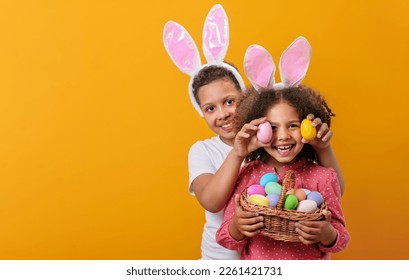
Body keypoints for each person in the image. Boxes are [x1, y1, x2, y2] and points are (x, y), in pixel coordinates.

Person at [164, 6, 344, 259]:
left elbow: (332, 189)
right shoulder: (213, 152)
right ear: (201, 112)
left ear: (248, 100)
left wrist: (322, 146)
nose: (224, 114)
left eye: (230, 101)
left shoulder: (275, 144)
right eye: (210, 108)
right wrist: (238, 153)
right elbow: (213, 202)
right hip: (222, 258)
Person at [216, 85, 350, 259]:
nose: (283, 136)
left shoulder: (323, 177)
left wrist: (327, 234)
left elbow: (341, 237)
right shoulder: (247, 174)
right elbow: (225, 239)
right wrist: (236, 227)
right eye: (272, 128)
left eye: (292, 125)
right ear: (257, 131)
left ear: (306, 128)